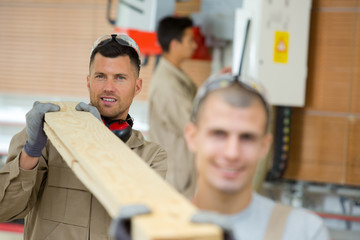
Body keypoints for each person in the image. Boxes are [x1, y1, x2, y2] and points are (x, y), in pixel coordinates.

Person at [0, 34, 167, 240]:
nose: (108, 87)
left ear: (138, 86)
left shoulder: (152, 158)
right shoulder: (48, 136)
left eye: (120, 78)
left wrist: (100, 143)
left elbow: (151, 228)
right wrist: (31, 152)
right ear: (88, 81)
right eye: (100, 76)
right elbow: (4, 209)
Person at [185, 74, 330, 240]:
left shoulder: (304, 232)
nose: (232, 153)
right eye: (219, 134)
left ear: (264, 146)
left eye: (247, 137)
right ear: (192, 137)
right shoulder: (158, 229)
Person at [148, 16, 198, 199]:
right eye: (190, 40)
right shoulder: (167, 86)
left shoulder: (173, 77)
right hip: (175, 179)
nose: (194, 45)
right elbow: (191, 126)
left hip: (179, 175)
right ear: (175, 43)